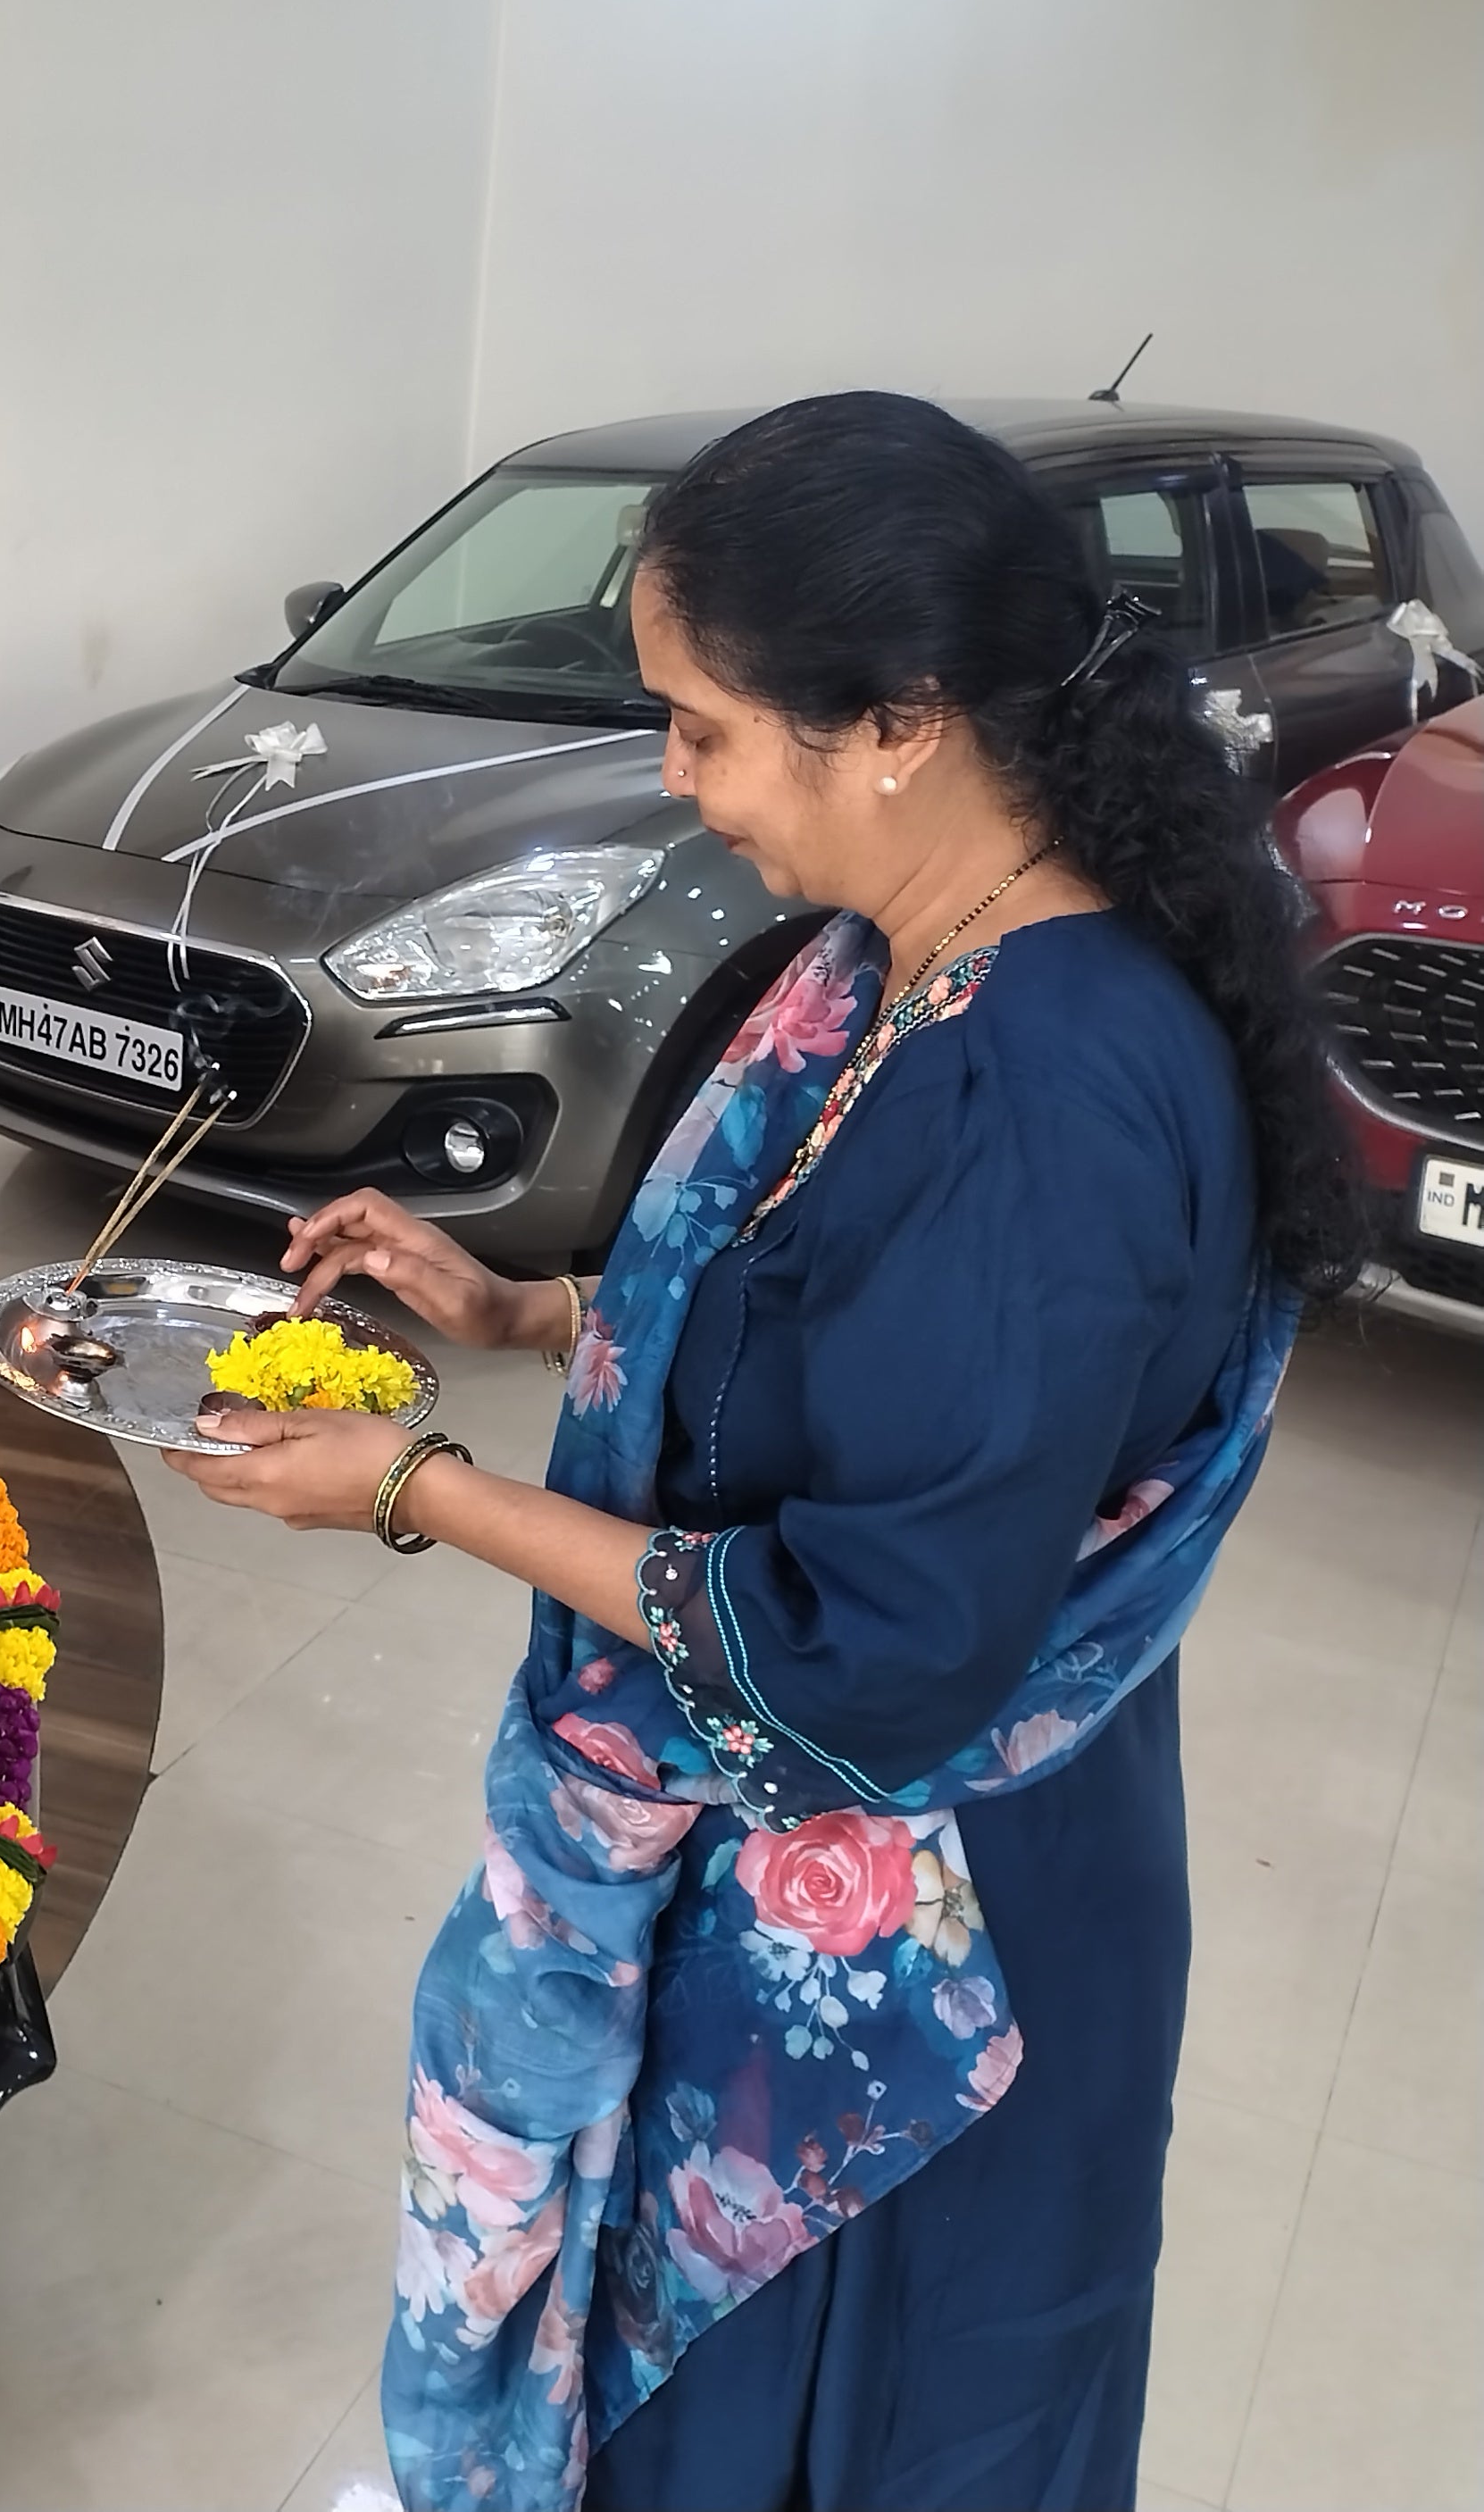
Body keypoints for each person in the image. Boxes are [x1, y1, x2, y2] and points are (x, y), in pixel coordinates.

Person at [163, 393, 1359, 2512]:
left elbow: (865, 1645)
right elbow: (835, 1328)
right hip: (835, 1895)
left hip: (915, 1969)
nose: (674, 779)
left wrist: (413, 1494)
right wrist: (529, 1309)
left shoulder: (1048, 1099)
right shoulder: (898, 964)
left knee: (825, 2435)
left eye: (698, 728)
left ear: (893, 720)